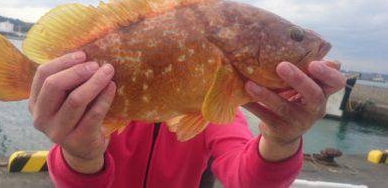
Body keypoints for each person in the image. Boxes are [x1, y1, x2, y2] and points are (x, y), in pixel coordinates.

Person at [28, 51, 346, 188]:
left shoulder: (216, 108)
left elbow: (247, 179)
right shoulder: (100, 104)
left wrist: (281, 140)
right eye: (295, 36)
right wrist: (80, 153)